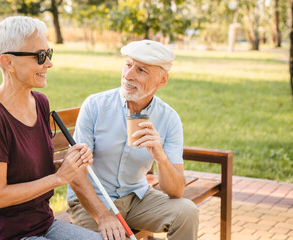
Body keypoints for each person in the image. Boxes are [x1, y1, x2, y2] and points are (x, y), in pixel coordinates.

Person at [0, 16, 103, 240]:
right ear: (8, 62)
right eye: (40, 56)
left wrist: (70, 162)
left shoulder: (40, 102)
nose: (49, 63)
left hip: (42, 223)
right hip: (3, 233)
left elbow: (28, 169)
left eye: (48, 54)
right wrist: (60, 177)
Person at [66, 40, 199, 240]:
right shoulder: (95, 106)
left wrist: (160, 156)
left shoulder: (169, 119)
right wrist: (103, 217)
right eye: (128, 65)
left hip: (137, 197)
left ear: (162, 80)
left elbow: (176, 190)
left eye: (141, 70)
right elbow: (76, 175)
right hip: (92, 201)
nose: (128, 75)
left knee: (187, 212)